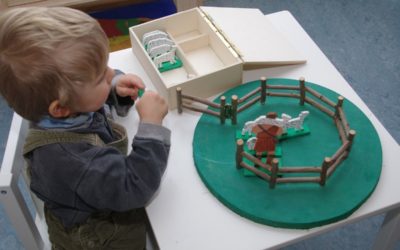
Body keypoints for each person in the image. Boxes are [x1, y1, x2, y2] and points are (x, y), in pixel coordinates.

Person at [0, 6, 170, 249]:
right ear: (60, 108)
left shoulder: (60, 110)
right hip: (100, 237)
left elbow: (87, 100)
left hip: (96, 191)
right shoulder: (72, 161)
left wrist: (114, 88)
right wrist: (152, 127)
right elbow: (134, 187)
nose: (112, 72)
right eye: (101, 77)